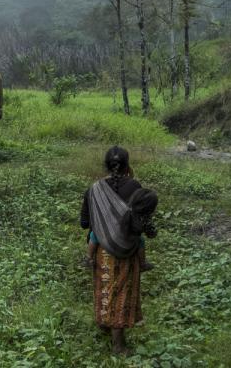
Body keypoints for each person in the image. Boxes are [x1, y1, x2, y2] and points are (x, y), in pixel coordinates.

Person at [79, 146, 158, 355]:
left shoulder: (94, 189)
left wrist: (104, 226)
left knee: (105, 289)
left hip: (102, 251)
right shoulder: (134, 186)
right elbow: (141, 219)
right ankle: (118, 345)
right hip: (127, 252)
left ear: (106, 165)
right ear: (127, 166)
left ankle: (105, 325)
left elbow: (84, 222)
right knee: (121, 293)